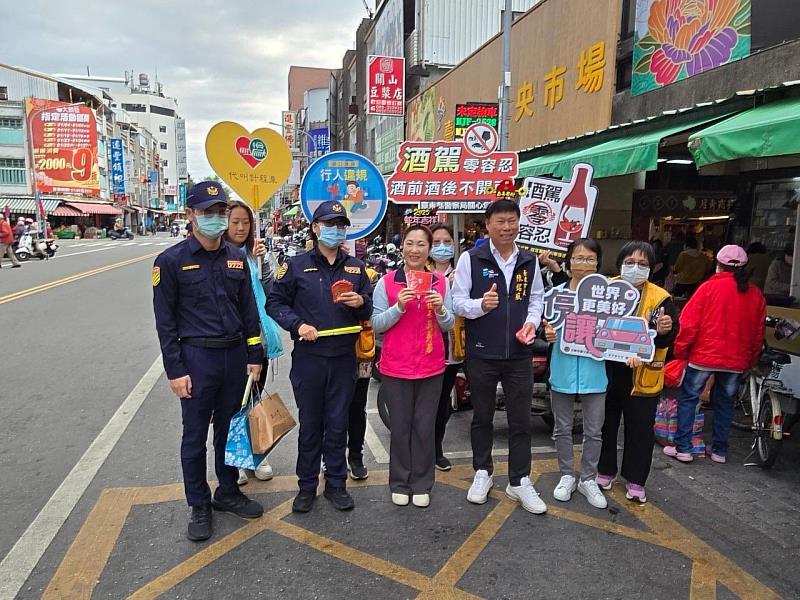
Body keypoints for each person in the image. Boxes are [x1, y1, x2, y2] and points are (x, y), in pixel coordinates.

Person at [152, 181, 265, 542]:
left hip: (234, 356)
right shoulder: (170, 262)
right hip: (197, 358)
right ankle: (199, 503)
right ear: (191, 215)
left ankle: (227, 490)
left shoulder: (235, 257)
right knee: (195, 436)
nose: (215, 219)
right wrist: (175, 370)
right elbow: (165, 322)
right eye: (207, 212)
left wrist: (255, 355)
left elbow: (249, 310)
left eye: (220, 212)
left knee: (231, 431)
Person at [267, 200, 373, 513]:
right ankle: (306, 486)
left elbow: (368, 306)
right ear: (315, 228)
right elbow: (275, 303)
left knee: (338, 423)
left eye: (340, 224)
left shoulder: (355, 268)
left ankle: (337, 484)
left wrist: (360, 302)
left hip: (343, 358)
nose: (335, 229)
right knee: (312, 424)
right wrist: (298, 325)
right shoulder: (296, 265)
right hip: (310, 358)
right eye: (329, 224)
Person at [452, 199, 547, 515]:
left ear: (519, 223)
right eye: (500, 222)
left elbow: (536, 300)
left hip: (519, 353)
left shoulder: (529, 261)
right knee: (482, 416)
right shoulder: (471, 259)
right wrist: (482, 305)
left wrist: (532, 322)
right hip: (482, 353)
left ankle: (519, 479)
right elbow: (457, 303)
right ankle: (483, 471)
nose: (507, 227)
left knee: (521, 419)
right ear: (488, 225)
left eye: (512, 221)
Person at [373, 225, 455, 507]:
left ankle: (422, 482)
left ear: (429, 249)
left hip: (431, 366)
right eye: (410, 243)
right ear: (403, 248)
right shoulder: (387, 282)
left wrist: (442, 308)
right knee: (400, 426)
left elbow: (450, 323)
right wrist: (399, 307)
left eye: (421, 244)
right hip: (396, 366)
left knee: (424, 426)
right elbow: (376, 325)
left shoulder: (440, 283)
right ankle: (399, 481)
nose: (415, 250)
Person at [665, 245, 766, 464]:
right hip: (736, 361)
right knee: (725, 403)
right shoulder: (755, 293)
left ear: (718, 265)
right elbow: (758, 333)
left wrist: (681, 351)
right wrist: (751, 361)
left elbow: (688, 324)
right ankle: (719, 450)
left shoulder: (707, 289)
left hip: (703, 357)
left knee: (689, 399)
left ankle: (683, 448)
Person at [596, 242, 678, 503]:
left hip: (643, 376)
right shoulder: (605, 290)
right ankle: (604, 470)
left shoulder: (661, 298)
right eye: (630, 262)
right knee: (604, 425)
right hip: (608, 372)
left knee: (640, 430)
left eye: (642, 264)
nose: (635, 268)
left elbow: (667, 341)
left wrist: (665, 331)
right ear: (620, 263)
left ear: (652, 268)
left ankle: (635, 480)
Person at [542, 238, 608, 509]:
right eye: (579, 258)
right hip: (563, 370)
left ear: (598, 263)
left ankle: (589, 479)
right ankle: (567, 474)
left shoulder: (608, 297)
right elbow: (542, 327)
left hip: (595, 373)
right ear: (568, 261)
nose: (584, 264)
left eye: (590, 258)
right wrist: (545, 334)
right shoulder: (555, 295)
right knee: (562, 428)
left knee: (594, 430)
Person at [225, 200, 284, 486]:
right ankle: (235, 460)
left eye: (245, 222)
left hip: (257, 340)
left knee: (254, 398)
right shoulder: (218, 256)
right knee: (231, 402)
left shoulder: (255, 255)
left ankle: (257, 453)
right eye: (234, 221)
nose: (240, 227)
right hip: (228, 342)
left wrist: (263, 262)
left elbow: (272, 293)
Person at [429, 223, 464, 471]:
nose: (442, 246)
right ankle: (421, 448)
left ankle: (436, 448)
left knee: (443, 402)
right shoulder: (420, 273)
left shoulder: (463, 272)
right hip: (427, 348)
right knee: (424, 403)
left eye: (447, 241)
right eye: (437, 242)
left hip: (454, 348)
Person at [347, 265, 380, 481]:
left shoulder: (364, 273)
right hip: (329, 352)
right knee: (329, 407)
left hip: (363, 353)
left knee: (357, 407)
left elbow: (372, 309)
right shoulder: (312, 269)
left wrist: (361, 302)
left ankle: (356, 456)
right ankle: (329, 456)